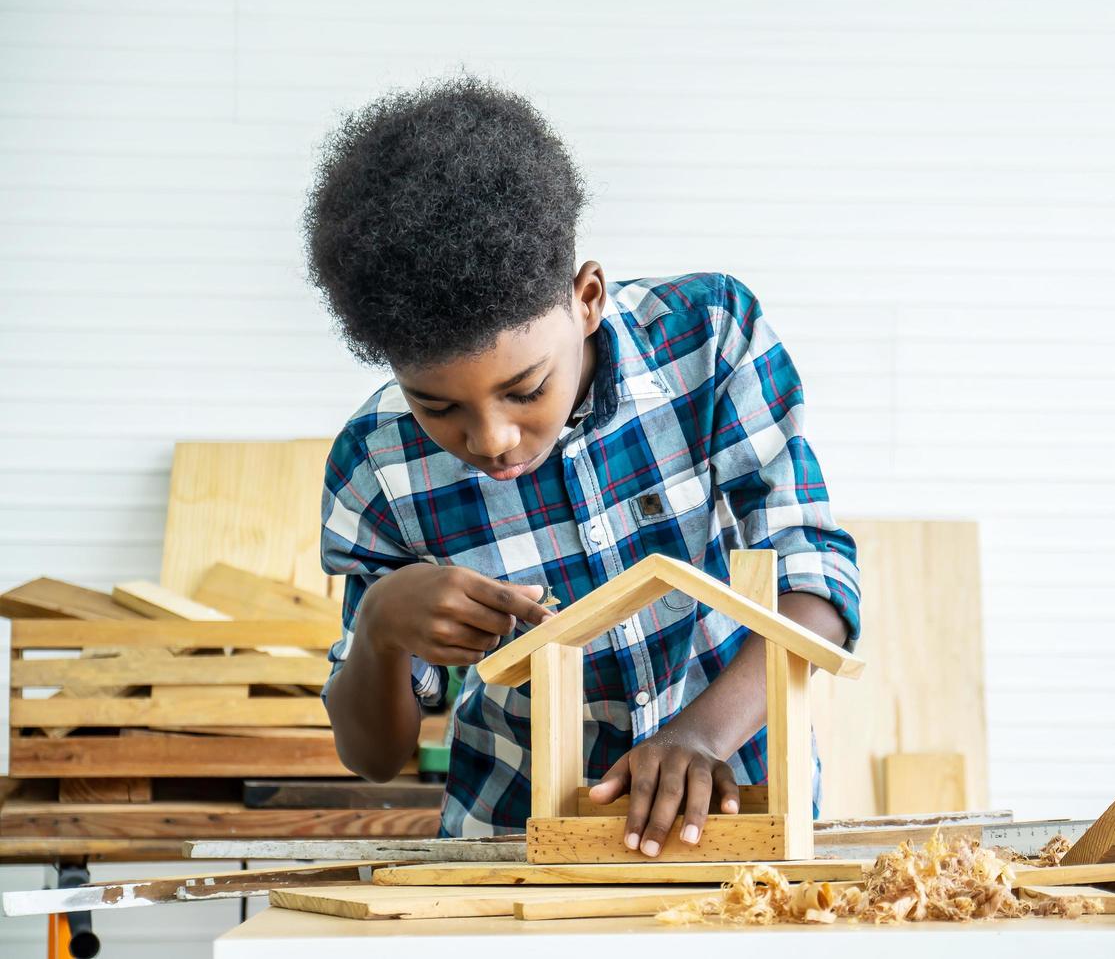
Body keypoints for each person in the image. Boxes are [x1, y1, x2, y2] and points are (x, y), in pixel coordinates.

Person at [309, 77, 860, 856]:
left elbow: (818, 588)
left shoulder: (709, 340)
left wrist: (701, 736)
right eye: (439, 408)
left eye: (525, 388)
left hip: (738, 825)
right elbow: (372, 755)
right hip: (513, 848)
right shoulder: (377, 462)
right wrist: (378, 632)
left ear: (587, 297)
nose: (493, 438)